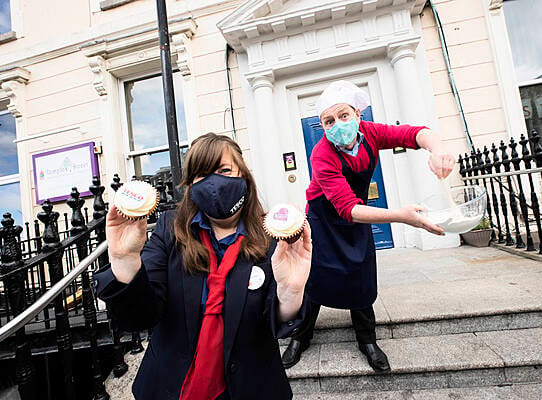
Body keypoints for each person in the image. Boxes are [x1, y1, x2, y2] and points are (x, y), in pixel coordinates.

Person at [94, 133, 312, 400]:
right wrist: (125, 261)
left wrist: (291, 290)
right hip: (170, 388)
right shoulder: (169, 229)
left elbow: (274, 322)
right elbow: (142, 317)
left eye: (223, 170)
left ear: (243, 175)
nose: (214, 182)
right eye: (201, 174)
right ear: (190, 185)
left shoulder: (272, 239)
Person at [281, 81, 455, 373]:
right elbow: (346, 208)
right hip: (324, 219)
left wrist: (437, 148)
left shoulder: (372, 133)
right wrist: (402, 216)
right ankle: (300, 338)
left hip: (359, 212)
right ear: (322, 126)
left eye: (343, 115)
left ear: (358, 114)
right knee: (315, 277)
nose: (337, 124)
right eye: (328, 121)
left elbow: (414, 134)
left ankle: (367, 341)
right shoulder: (322, 154)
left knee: (360, 271)